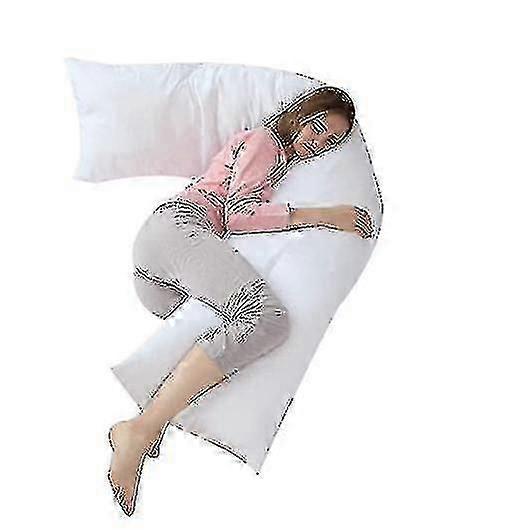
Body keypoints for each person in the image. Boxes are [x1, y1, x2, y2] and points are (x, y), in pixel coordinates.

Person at [107, 86, 375, 516]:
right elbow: (239, 215)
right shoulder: (264, 142)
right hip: (178, 229)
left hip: (167, 271)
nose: (318, 143)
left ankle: (149, 423)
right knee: (266, 319)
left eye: (330, 142)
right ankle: (140, 429)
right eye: (318, 128)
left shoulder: (281, 162)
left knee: (223, 339)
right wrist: (328, 214)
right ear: (299, 115)